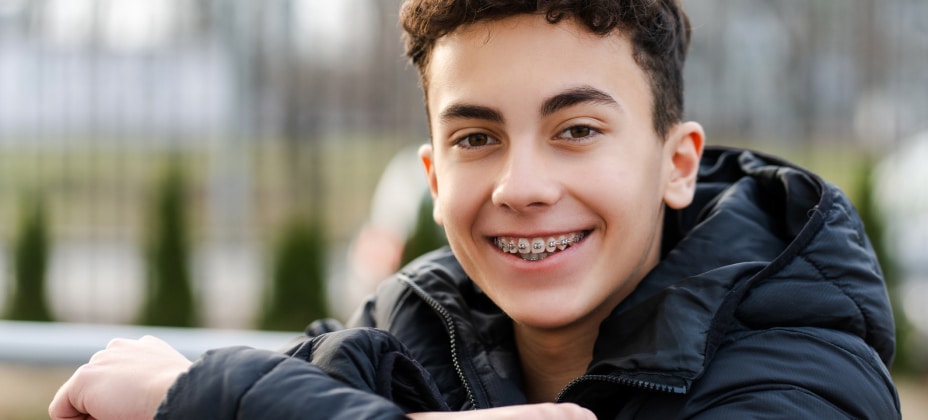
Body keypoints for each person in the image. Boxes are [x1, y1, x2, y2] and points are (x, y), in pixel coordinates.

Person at [49, 0, 902, 418]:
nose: (520, 186)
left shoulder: (807, 370)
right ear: (430, 172)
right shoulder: (403, 328)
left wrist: (207, 396)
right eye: (475, 138)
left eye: (575, 129)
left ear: (675, 164)